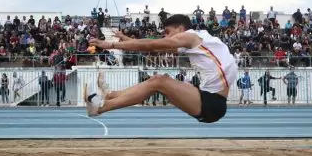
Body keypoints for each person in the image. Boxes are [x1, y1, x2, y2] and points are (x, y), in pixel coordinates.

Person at [85, 14, 237, 123]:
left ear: (181, 28)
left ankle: (102, 107)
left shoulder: (190, 37)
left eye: (168, 32)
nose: (166, 37)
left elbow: (153, 44)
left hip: (212, 104)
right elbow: (155, 48)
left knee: (160, 81)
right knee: (157, 81)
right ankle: (111, 95)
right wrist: (127, 39)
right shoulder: (200, 40)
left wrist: (111, 45)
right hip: (207, 98)